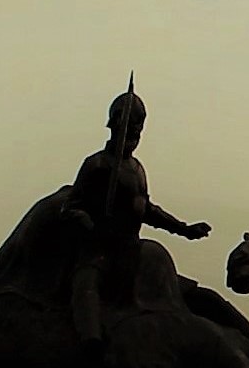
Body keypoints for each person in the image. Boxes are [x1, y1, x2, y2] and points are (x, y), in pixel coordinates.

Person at [66, 86, 214, 339]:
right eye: (131, 124)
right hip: (99, 253)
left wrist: (184, 228)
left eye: (139, 126)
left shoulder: (136, 168)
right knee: (85, 290)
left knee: (199, 298)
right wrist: (90, 226)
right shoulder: (97, 164)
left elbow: (146, 209)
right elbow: (71, 208)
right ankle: (90, 346)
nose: (136, 131)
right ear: (115, 124)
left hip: (132, 250)